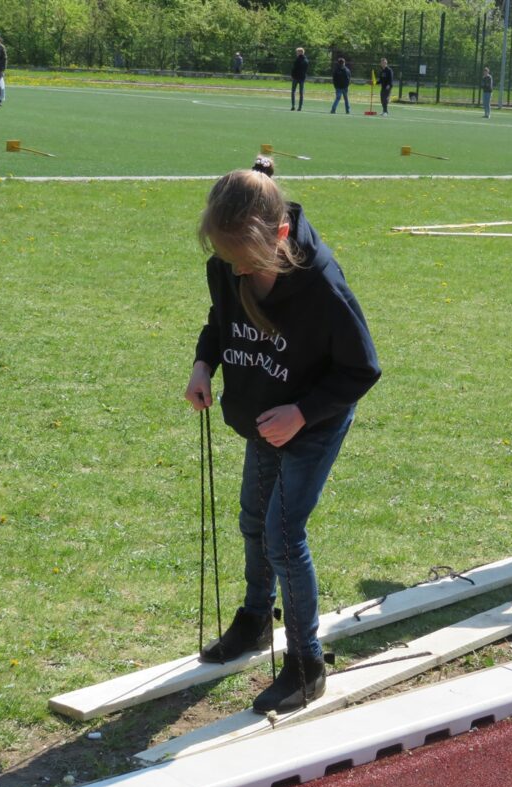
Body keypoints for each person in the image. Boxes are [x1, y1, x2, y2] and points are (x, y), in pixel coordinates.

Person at [186, 158, 381, 714]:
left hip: (313, 421)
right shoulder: (229, 265)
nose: (236, 270)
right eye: (228, 259)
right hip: (262, 416)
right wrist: (204, 364)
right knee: (253, 519)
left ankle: (306, 664)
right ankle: (254, 620)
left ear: (280, 234)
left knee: (282, 533)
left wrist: (301, 412)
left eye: (245, 260)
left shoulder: (322, 284)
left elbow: (362, 368)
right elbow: (220, 321)